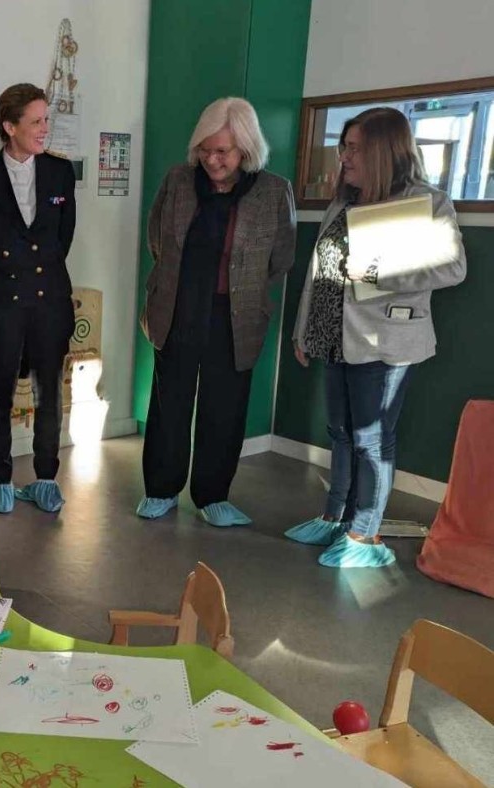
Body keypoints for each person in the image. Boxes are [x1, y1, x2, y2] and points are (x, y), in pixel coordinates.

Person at [287, 107, 466, 568]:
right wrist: (303, 329)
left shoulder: (427, 202)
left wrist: (381, 272)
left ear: (384, 151)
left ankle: (364, 535)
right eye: (343, 147)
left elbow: (453, 268)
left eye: (354, 148)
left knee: (371, 439)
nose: (344, 157)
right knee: (340, 432)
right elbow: (318, 272)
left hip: (384, 342)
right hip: (333, 337)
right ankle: (335, 517)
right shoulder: (343, 201)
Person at [137, 97, 296, 526]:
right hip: (178, 309)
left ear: (246, 148)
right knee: (169, 404)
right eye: (205, 150)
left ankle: (213, 497)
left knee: (224, 408)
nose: (211, 160)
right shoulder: (178, 181)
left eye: (222, 151)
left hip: (235, 316)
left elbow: (280, 258)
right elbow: (157, 238)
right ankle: (161, 490)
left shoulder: (273, 191)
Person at [0, 83, 76, 514]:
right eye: (36, 121)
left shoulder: (60, 171)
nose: (45, 128)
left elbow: (63, 238)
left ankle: (46, 477)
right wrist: (4, 281)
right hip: (3, 300)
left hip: (50, 299)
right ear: (10, 127)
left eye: (47, 120)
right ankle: (0, 477)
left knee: (49, 393)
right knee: (0, 392)